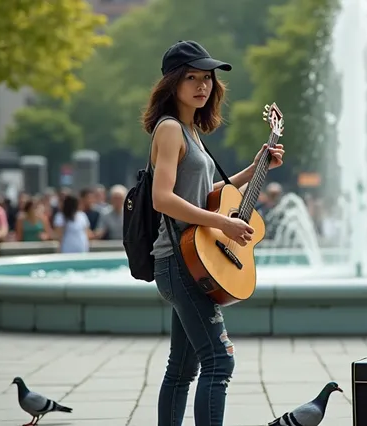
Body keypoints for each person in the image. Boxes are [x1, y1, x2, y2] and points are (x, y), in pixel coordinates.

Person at [145, 40, 284, 426]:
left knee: (182, 370)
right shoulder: (171, 129)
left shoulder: (190, 130)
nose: (202, 85)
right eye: (192, 77)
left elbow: (210, 196)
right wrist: (223, 223)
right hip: (179, 260)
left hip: (192, 259)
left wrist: (256, 167)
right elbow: (162, 199)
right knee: (219, 362)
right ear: (172, 84)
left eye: (206, 78)